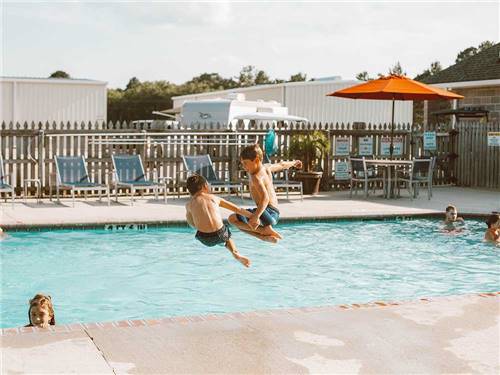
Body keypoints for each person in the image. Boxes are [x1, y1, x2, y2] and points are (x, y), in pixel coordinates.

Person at [228, 144, 302, 242]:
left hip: (265, 213)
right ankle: (266, 235)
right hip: (274, 214)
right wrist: (294, 162)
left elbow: (265, 198)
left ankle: (263, 232)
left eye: (245, 163)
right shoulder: (266, 168)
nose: (244, 167)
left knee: (232, 219)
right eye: (242, 164)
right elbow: (282, 165)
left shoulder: (256, 177)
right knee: (242, 220)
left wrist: (256, 216)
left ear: (257, 160)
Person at [185, 174, 255, 267]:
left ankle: (221, 242)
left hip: (204, 238)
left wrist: (196, 225)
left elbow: (191, 221)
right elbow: (238, 210)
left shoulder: (189, 204)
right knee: (226, 231)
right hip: (221, 234)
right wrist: (254, 216)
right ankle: (235, 252)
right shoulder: (214, 198)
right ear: (205, 186)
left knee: (189, 215)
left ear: (190, 191)